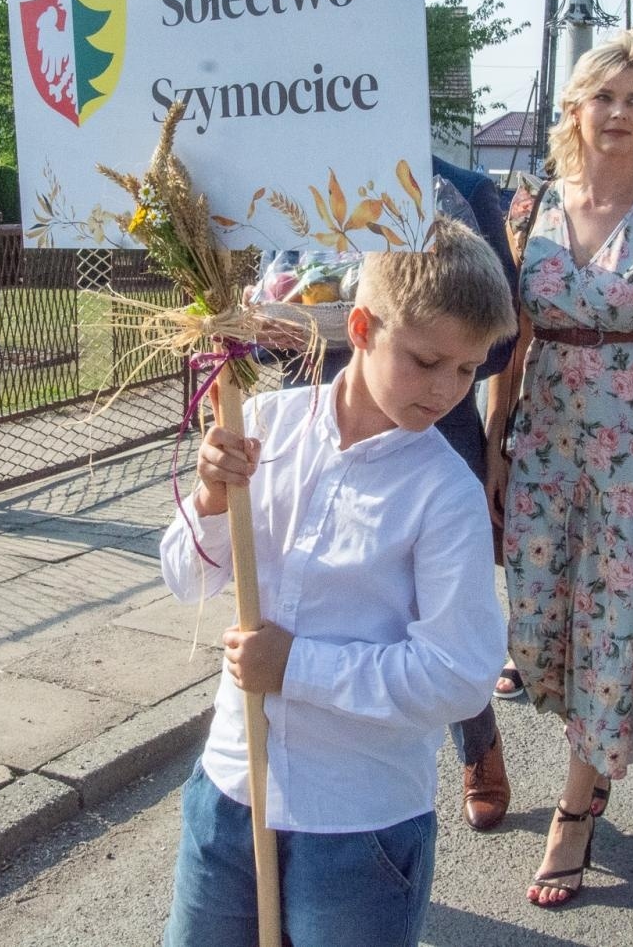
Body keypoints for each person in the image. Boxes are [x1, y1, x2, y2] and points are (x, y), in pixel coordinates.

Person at [159, 217, 515, 947]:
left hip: (357, 819)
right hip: (231, 789)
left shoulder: (445, 493)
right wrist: (210, 501)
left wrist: (296, 667)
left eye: (467, 370)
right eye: (427, 360)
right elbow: (186, 580)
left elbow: (459, 675)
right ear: (361, 327)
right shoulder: (265, 424)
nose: (447, 390)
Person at [484, 30, 633, 908]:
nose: (620, 113)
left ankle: (575, 808)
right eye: (605, 97)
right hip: (546, 450)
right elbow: (513, 341)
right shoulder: (530, 209)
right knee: (544, 624)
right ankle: (595, 749)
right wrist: (497, 444)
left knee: (613, 623)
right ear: (574, 109)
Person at [268, 156, 520, 833]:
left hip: (430, 429)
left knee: (436, 606)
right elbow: (271, 303)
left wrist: (434, 358)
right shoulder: (300, 187)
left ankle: (478, 747)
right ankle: (294, 757)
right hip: (318, 409)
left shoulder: (462, 188)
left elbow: (497, 340)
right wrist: (279, 323)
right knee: (319, 595)